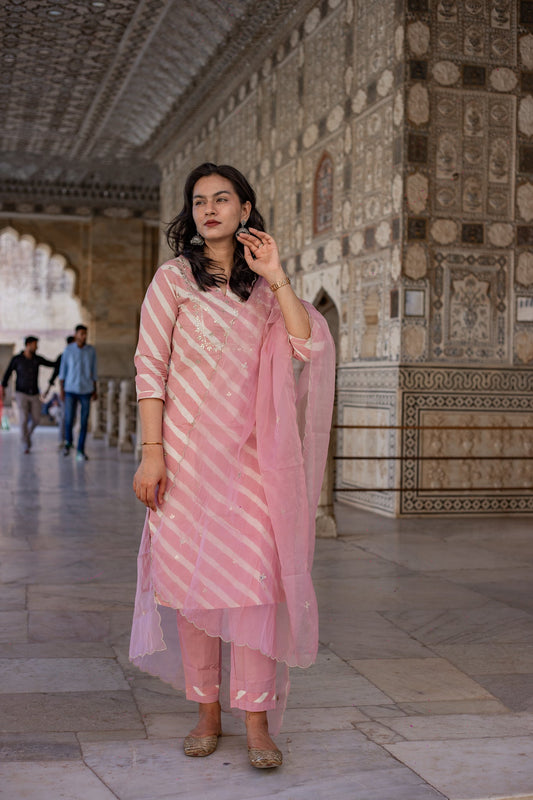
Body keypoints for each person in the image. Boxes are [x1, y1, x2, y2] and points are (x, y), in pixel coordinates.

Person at [130, 163, 335, 769]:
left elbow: (309, 345)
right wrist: (151, 454)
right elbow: (149, 368)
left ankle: (256, 719)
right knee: (196, 584)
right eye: (199, 201)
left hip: (250, 466)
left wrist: (276, 276)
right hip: (185, 462)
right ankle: (206, 710)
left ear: (246, 209)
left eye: (223, 199)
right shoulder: (172, 281)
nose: (210, 209)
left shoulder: (264, 290)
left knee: (251, 586)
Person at [0, 336, 57, 453]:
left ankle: (27, 436)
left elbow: (52, 364)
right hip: (21, 393)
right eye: (35, 344)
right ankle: (25, 443)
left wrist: (62, 359)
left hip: (35, 394)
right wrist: (3, 388)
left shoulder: (37, 359)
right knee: (23, 419)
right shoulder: (17, 359)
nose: (37, 347)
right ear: (29, 345)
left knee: (36, 419)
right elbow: (7, 374)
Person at [59, 325, 98, 461]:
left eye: (85, 334)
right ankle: (68, 442)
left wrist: (95, 389)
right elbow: (62, 371)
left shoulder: (91, 351)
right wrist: (61, 390)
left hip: (86, 390)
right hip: (70, 389)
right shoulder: (68, 350)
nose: (83, 336)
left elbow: (94, 370)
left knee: (84, 421)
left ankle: (80, 450)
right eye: (81, 334)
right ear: (75, 335)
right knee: (69, 418)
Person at [43, 335, 75, 447]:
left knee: (73, 417)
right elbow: (56, 374)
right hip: (66, 391)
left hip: (77, 391)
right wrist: (48, 391)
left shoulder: (80, 356)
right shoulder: (63, 357)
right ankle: (64, 440)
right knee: (65, 416)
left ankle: (69, 439)